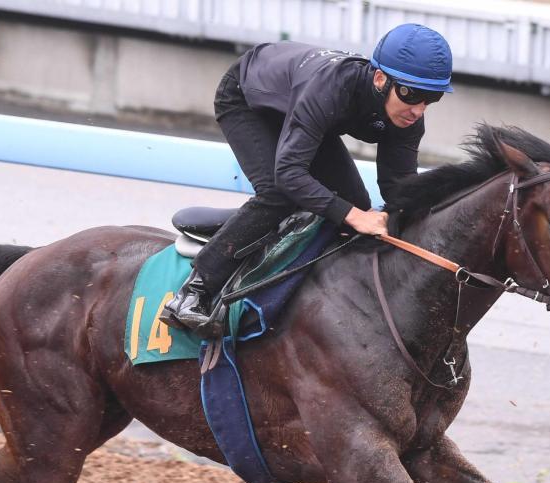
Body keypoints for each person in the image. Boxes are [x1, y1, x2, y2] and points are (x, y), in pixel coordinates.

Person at [160, 23, 453, 338]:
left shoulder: (409, 117)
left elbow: (399, 189)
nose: (418, 110)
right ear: (381, 79)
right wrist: (354, 215)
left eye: (431, 98)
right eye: (412, 94)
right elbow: (289, 174)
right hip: (249, 100)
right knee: (280, 194)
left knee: (355, 204)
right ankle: (196, 290)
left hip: (304, 112)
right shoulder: (331, 89)